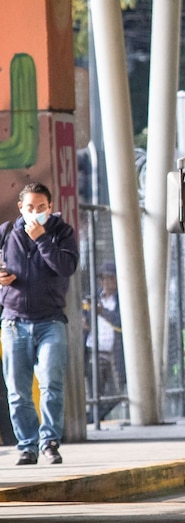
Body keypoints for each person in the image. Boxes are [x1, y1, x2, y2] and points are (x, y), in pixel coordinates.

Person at [0, 182, 80, 465]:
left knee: (51, 384)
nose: (36, 213)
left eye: (41, 207)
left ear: (50, 206)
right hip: (13, 322)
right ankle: (27, 445)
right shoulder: (7, 232)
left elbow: (66, 267)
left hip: (51, 321)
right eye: (30, 207)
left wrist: (42, 238)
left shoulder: (61, 232)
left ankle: (50, 442)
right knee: (18, 391)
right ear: (21, 207)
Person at [85, 262, 125, 397]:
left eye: (110, 278)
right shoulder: (93, 298)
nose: (106, 282)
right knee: (96, 393)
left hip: (114, 353)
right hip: (94, 351)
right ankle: (93, 417)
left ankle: (96, 416)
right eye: (103, 278)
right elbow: (85, 320)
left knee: (116, 393)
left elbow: (121, 323)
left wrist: (103, 312)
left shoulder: (122, 300)